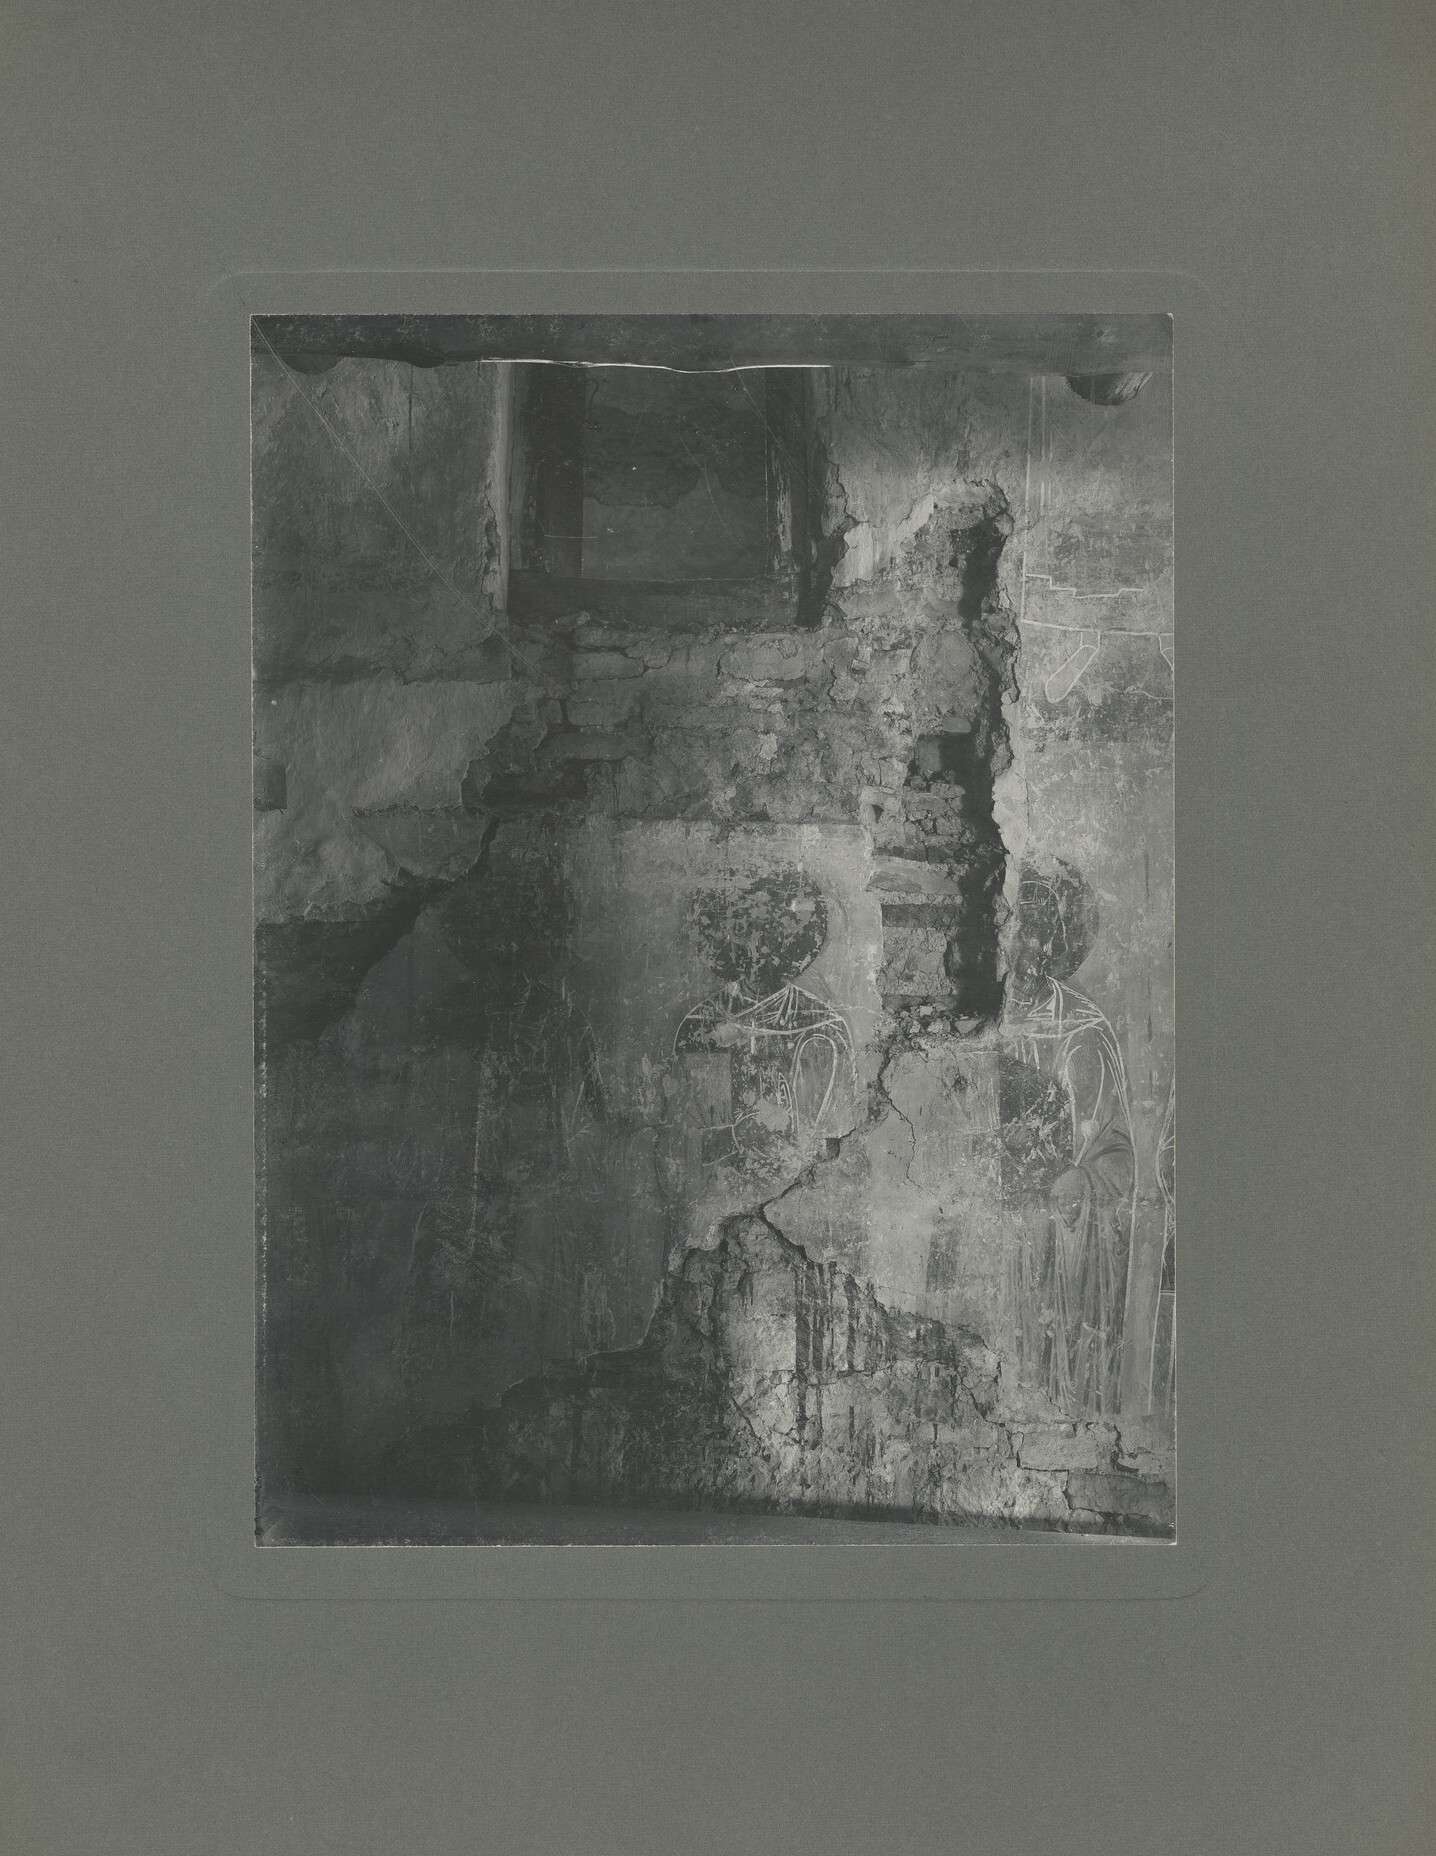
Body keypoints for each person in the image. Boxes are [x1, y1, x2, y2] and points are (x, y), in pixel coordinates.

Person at [999, 859, 1136, 1419]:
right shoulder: (978, 1023)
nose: (1019, 946)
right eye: (1010, 928)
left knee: (1052, 1380)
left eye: (1033, 931)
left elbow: (1119, 1155)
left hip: (1062, 1240)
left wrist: (1080, 1180)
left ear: (1054, 942)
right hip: (995, 1229)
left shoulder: (1084, 1031)